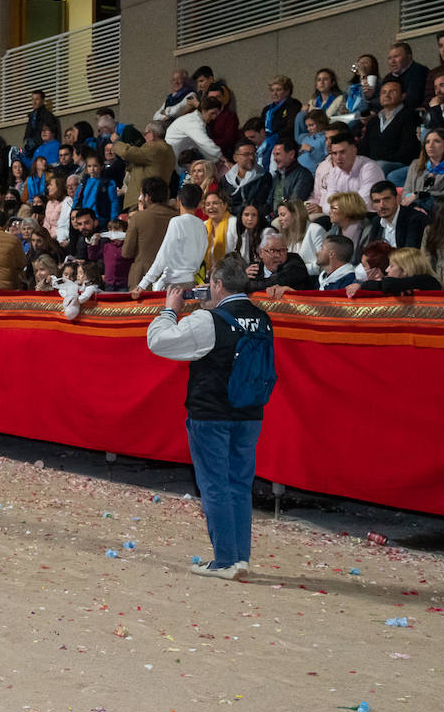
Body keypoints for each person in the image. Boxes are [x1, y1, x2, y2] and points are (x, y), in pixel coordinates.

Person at [147, 253, 273, 579]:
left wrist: (170, 308)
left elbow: (158, 341)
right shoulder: (263, 318)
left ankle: (224, 561)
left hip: (211, 412)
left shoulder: (209, 321)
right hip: (249, 413)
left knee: (214, 485)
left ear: (216, 284)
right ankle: (240, 557)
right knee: (239, 485)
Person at [132, 183, 208, 294]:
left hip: (174, 284)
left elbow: (164, 255)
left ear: (178, 201)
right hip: (191, 282)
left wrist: (143, 283)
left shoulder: (177, 222)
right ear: (199, 203)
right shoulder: (202, 225)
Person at [307, 130, 383, 215]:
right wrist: (336, 209)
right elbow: (327, 205)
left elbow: (362, 203)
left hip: (368, 217)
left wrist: (336, 208)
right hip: (342, 218)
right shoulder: (334, 172)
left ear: (354, 150)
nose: (338, 158)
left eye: (342, 152)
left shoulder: (369, 168)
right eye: (334, 153)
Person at [122, 176, 176, 290]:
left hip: (141, 278)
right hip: (172, 277)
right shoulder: (177, 216)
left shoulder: (138, 217)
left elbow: (126, 252)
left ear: (147, 197)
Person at [358, 77, 420, 175]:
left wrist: (375, 163)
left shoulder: (410, 116)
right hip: (374, 165)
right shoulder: (374, 120)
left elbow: (408, 151)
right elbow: (365, 148)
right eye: (383, 92)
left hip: (399, 165)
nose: (386, 95)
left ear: (403, 96)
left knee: (380, 166)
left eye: (392, 92)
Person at [114, 120, 176, 211]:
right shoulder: (167, 149)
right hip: (155, 198)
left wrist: (116, 143)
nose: (144, 137)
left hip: (143, 200)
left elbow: (127, 153)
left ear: (151, 134)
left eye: (145, 134)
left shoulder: (154, 147)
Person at [345, 246, 442, 296]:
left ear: (405, 270)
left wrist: (362, 286)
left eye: (391, 266)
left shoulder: (428, 281)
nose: (387, 270)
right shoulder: (400, 286)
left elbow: (388, 284)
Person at [401, 128, 444, 209]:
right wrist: (413, 206)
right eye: (427, 142)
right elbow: (407, 190)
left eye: (436, 141)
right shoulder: (415, 164)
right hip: (413, 207)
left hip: (437, 209)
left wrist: (419, 195)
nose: (430, 145)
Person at [369, 180, 429, 249]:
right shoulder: (376, 221)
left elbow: (410, 253)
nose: (382, 205)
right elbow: (371, 251)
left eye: (386, 199)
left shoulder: (415, 219)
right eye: (377, 201)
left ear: (397, 198)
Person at [246, 230, 311, 292]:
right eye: (272, 250)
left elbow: (274, 283)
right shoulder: (253, 269)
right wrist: (242, 276)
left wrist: (244, 282)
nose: (277, 255)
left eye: (282, 250)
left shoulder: (295, 263)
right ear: (261, 253)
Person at [221, 139, 271, 216]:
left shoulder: (264, 177)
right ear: (235, 158)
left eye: (253, 154)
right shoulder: (226, 180)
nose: (251, 157)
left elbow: (263, 204)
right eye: (246, 154)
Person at [164, 97, 223, 162]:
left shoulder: (197, 121)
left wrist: (216, 161)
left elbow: (201, 146)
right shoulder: (192, 122)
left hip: (175, 157)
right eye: (212, 113)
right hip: (170, 157)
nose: (214, 117)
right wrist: (221, 157)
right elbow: (204, 143)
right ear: (203, 110)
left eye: (216, 114)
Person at [269, 138, 313, 217]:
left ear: (292, 154)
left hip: (288, 218)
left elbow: (292, 205)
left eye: (278, 154)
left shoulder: (303, 175)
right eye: (274, 155)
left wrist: (273, 216)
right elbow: (269, 202)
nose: (274, 159)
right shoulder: (277, 175)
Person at [21, 90, 60, 160]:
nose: (34, 102)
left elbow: (49, 135)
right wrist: (26, 143)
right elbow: (27, 133)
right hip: (30, 151)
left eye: (37, 99)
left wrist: (35, 143)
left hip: (41, 151)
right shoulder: (31, 116)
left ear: (42, 100)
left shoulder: (48, 116)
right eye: (32, 99)